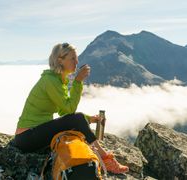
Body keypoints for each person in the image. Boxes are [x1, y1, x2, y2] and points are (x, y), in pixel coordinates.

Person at [14, 42, 129, 174]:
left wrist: (89, 119)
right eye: (72, 59)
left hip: (32, 134)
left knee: (78, 120)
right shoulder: (50, 81)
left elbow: (64, 111)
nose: (77, 62)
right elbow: (69, 111)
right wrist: (78, 82)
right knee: (78, 118)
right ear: (60, 60)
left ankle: (97, 157)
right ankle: (105, 158)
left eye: (77, 58)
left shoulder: (56, 79)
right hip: (27, 137)